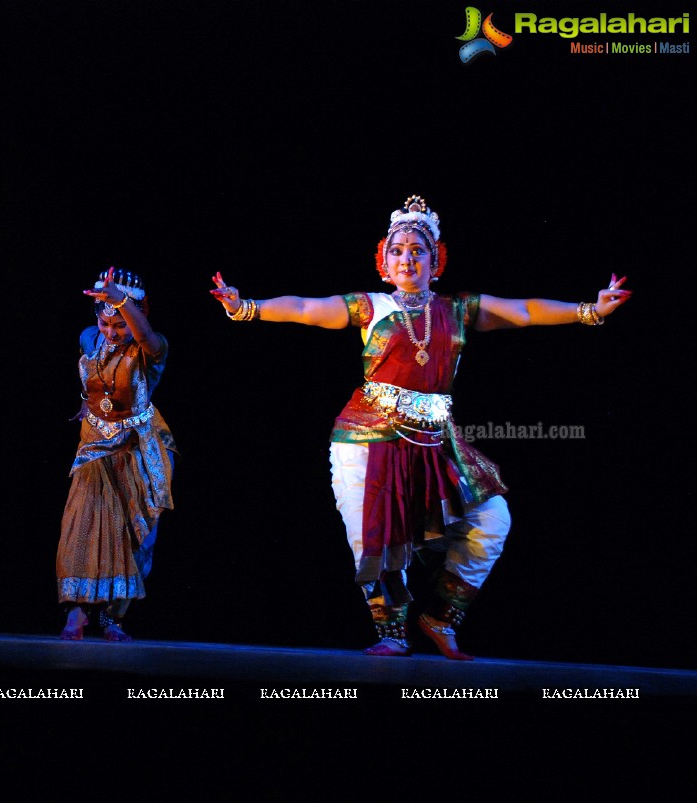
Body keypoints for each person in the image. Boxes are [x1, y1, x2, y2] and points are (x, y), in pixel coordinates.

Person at [210, 195, 630, 659]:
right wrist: (246, 306)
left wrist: (590, 309)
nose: (407, 258)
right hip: (367, 437)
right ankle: (391, 633)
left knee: (492, 520)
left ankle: (440, 618)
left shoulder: (459, 309)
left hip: (435, 440)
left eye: (417, 250)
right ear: (383, 263)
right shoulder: (370, 306)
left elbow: (526, 310)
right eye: (397, 250)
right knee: (373, 536)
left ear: (436, 260)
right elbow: (307, 307)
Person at [56, 267, 176, 641]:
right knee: (81, 523)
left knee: (135, 535)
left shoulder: (151, 347)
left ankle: (113, 618)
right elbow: (95, 377)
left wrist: (123, 303)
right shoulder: (89, 337)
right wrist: (87, 403)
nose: (112, 332)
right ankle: (76, 611)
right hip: (94, 443)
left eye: (119, 324)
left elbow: (143, 336)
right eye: (106, 322)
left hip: (138, 446)